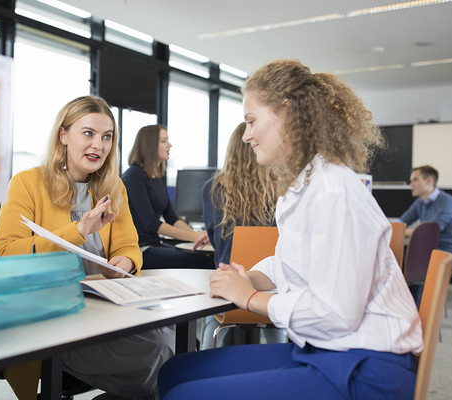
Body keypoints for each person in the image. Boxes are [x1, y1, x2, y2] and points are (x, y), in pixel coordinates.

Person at [158, 59, 423, 400]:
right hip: (328, 348)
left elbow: (337, 314)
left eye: (251, 121)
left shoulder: (332, 190)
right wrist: (249, 277)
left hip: (366, 365)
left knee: (184, 394)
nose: (246, 135)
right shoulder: (304, 184)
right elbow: (287, 262)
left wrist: (251, 298)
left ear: (287, 113)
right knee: (175, 372)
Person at [0, 96, 173, 400]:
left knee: (169, 339)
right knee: (160, 354)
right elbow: (5, 254)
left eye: (107, 137)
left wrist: (122, 263)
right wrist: (78, 230)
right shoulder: (27, 183)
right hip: (55, 318)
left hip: (107, 308)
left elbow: (130, 246)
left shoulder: (113, 187)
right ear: (63, 135)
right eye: (88, 133)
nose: (98, 145)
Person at [199, 121, 282, 349]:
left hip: (229, 288)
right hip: (270, 296)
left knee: (209, 319)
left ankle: (206, 355)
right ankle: (280, 351)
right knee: (276, 324)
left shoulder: (212, 188)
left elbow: (217, 242)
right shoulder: (281, 189)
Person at [122, 124, 213, 269]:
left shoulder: (158, 175)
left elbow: (171, 218)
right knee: (201, 261)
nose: (169, 145)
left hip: (155, 244)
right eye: (163, 141)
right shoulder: (134, 175)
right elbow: (151, 223)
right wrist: (194, 237)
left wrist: (199, 236)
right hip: (140, 250)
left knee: (205, 256)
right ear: (150, 145)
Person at [401, 165, 452, 270]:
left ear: (429, 181)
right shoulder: (420, 202)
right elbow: (402, 222)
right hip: (428, 251)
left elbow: (429, 232)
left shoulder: (448, 202)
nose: (411, 184)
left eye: (415, 180)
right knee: (396, 256)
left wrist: (400, 232)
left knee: (410, 259)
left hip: (448, 255)